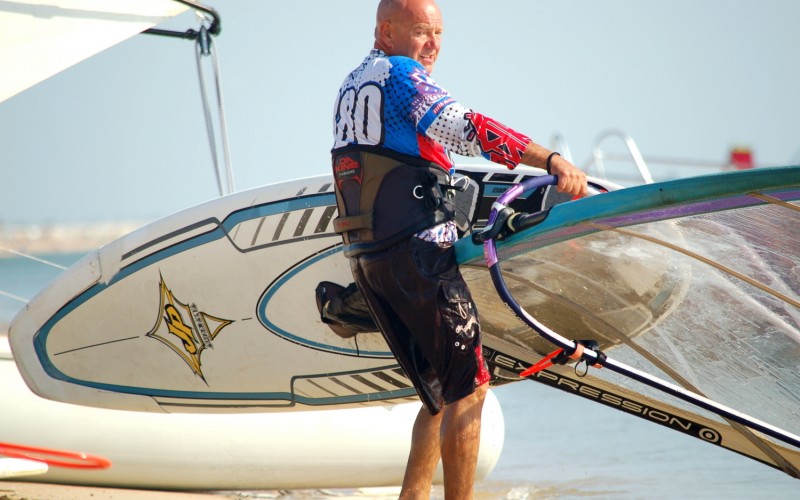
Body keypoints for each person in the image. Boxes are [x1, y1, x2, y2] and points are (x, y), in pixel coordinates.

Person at [329, 1, 588, 497]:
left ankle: (413, 494)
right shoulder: (401, 76)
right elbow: (466, 128)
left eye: (439, 33)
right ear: (386, 32)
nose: (433, 45)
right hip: (419, 257)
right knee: (470, 388)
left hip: (371, 262)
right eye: (421, 32)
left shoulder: (351, 85)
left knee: (439, 394)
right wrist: (550, 160)